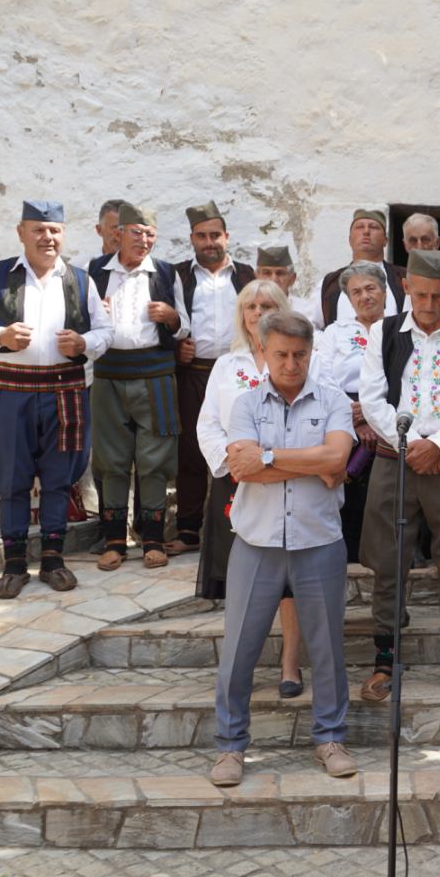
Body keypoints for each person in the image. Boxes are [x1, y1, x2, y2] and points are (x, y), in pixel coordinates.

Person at [208, 310, 355, 786]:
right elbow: (241, 469)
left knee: (327, 647)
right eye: (281, 355)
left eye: (299, 355)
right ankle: (230, 747)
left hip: (319, 540)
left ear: (311, 353)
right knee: (239, 650)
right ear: (264, 352)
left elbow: (338, 457)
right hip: (256, 542)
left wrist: (268, 457)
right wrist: (315, 465)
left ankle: (330, 738)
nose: (291, 365)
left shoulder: (333, 400)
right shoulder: (245, 405)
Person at [0, 200, 113, 598]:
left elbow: (105, 331)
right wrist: (0, 336)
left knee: (59, 479)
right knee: (12, 478)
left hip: (65, 391)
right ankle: (14, 565)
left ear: (63, 234)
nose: (47, 237)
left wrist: (83, 343)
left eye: (54, 230)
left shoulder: (80, 280)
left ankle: (53, 561)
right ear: (21, 233)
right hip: (11, 392)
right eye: (38, 230)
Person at [357, 249, 440, 702]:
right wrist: (413, 444)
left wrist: (438, 445)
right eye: (421, 295)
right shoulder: (384, 333)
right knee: (387, 559)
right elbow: (372, 398)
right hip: (395, 459)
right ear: (406, 288)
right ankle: (385, 660)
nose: (430, 305)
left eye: (438, 296)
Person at [196, 282, 309, 697]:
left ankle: (290, 664)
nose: (258, 312)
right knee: (242, 579)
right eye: (251, 306)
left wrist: (276, 461)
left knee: (289, 584)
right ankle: (238, 667)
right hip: (235, 480)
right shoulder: (227, 365)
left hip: (287, 480)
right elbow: (208, 422)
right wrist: (233, 463)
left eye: (267, 305)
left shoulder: (297, 359)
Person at [87, 203, 189, 570]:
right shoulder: (95, 271)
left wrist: (171, 317)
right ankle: (115, 541)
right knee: (111, 460)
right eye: (137, 232)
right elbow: (79, 322)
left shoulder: (165, 273)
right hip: (108, 376)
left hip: (155, 378)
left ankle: (153, 540)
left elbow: (184, 327)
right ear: (118, 234)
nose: (144, 240)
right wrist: (93, 312)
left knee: (154, 461)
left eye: (150, 234)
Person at [169, 200, 255, 556]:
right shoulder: (178, 275)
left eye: (215, 235)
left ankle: (240, 524)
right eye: (202, 236)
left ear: (226, 237)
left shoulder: (246, 275)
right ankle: (189, 530)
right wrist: (176, 351)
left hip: (238, 374)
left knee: (242, 444)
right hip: (195, 374)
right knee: (191, 449)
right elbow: (167, 324)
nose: (209, 242)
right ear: (192, 239)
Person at [313, 262, 390, 563]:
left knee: (387, 493)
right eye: (356, 292)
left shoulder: (398, 328)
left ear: (384, 291)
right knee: (349, 493)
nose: (364, 296)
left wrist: (373, 413)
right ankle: (349, 556)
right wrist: (353, 417)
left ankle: (390, 557)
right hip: (345, 415)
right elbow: (322, 377)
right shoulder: (335, 333)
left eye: (371, 288)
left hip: (388, 415)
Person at [310, 209, 406, 330]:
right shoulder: (330, 283)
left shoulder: (403, 278)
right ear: (350, 240)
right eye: (359, 227)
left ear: (385, 240)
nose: (366, 231)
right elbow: (310, 327)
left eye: (373, 227)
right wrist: (331, 339)